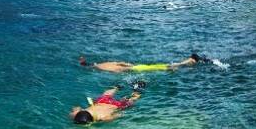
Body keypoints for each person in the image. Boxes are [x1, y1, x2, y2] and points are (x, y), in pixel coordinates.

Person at [70, 83, 145, 124]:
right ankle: (117, 87)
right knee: (106, 95)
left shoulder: (104, 118)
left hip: (116, 105)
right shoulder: (76, 113)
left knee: (131, 102)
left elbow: (120, 115)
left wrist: (123, 109)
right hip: (101, 101)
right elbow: (76, 108)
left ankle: (137, 91)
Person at [78, 53, 207, 73]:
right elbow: (123, 63)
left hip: (138, 69)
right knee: (166, 66)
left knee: (167, 67)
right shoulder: (104, 63)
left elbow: (122, 69)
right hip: (137, 67)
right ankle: (189, 61)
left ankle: (190, 60)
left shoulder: (103, 68)